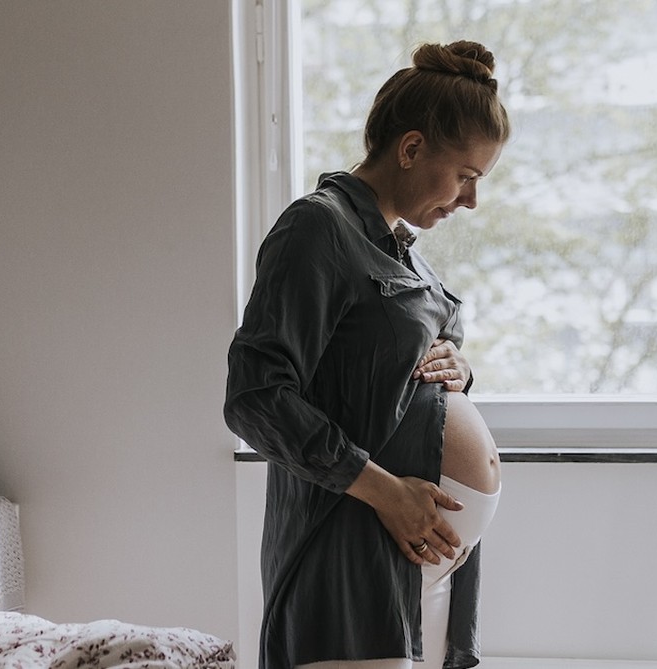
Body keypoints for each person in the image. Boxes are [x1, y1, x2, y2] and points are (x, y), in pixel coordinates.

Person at [225, 40, 509, 669]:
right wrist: (389, 494)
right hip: (353, 545)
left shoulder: (398, 246)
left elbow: (417, 349)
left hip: (424, 559)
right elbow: (255, 396)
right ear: (411, 149)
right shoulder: (317, 228)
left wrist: (458, 367)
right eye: (466, 176)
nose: (471, 200)